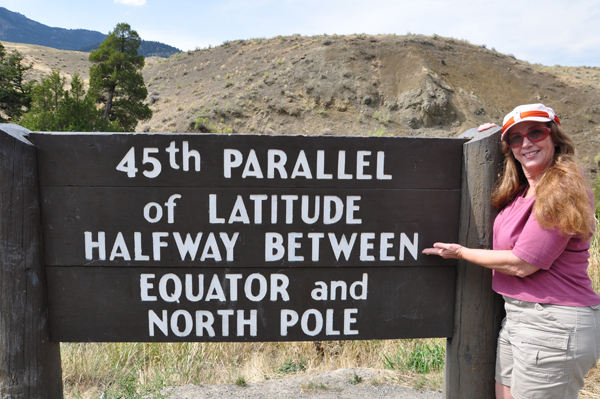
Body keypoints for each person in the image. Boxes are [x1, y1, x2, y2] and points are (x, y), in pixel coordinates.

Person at [423, 103, 600, 399]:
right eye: (515, 138)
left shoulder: (562, 187)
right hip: (518, 317)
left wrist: (461, 253)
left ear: (554, 136)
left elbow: (523, 264)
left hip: (554, 323)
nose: (526, 143)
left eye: (535, 132)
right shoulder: (522, 191)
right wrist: (492, 136)